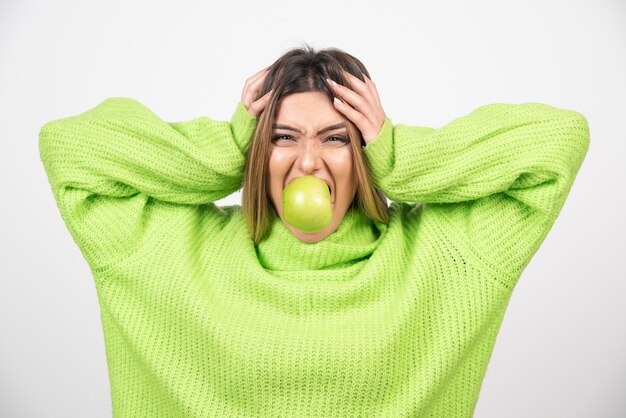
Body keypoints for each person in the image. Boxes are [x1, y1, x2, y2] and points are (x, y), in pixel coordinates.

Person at [39, 44, 590, 417]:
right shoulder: (164, 248)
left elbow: (558, 141)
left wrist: (402, 155)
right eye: (282, 138)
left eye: (335, 138)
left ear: (363, 152)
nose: (307, 162)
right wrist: (229, 147)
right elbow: (69, 147)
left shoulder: (443, 254)